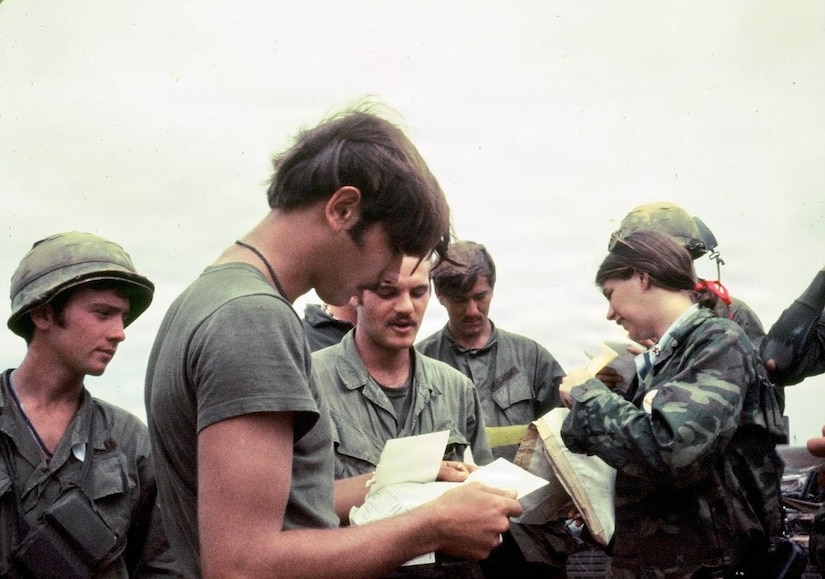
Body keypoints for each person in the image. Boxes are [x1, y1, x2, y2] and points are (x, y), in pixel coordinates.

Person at [144, 107, 523, 578]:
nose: (388, 274)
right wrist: (432, 525)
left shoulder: (211, 298)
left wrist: (401, 485)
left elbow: (286, 506)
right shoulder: (253, 318)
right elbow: (242, 565)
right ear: (343, 210)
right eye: (392, 248)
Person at [559, 230, 787, 578]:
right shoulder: (672, 357)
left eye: (611, 295)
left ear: (642, 276)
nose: (610, 313)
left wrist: (587, 394)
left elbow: (673, 450)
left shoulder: (718, 341)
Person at [1, 231, 178, 577]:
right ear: (43, 314)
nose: (119, 332)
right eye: (102, 313)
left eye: (122, 317)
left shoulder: (129, 441)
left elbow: (163, 566)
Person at [311, 255, 494, 577]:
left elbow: (486, 491)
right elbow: (289, 509)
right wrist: (419, 476)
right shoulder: (309, 383)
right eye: (387, 292)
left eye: (418, 292)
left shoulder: (457, 388)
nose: (407, 307)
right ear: (355, 295)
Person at [416, 240, 573, 578]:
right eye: (459, 300)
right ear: (440, 296)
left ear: (493, 290)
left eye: (480, 296)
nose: (472, 310)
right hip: (457, 543)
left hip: (533, 535)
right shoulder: (418, 364)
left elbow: (566, 438)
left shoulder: (531, 357)